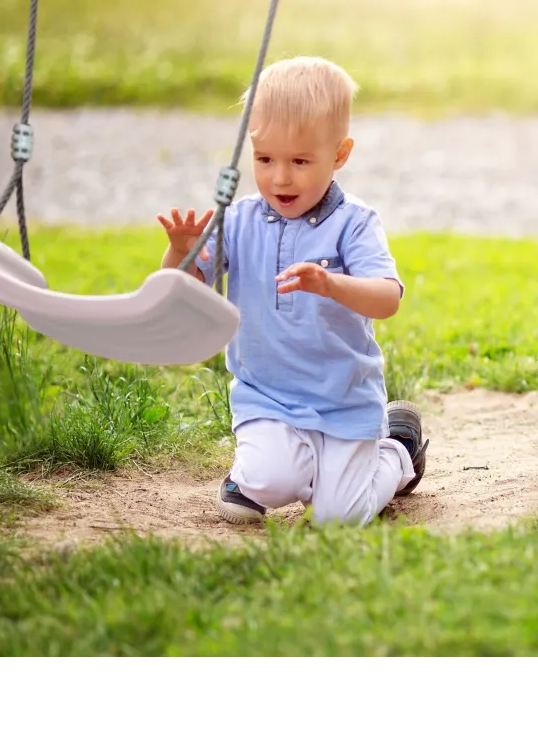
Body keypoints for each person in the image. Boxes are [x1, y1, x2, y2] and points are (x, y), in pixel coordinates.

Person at [157, 56, 428, 526]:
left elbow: (387, 299)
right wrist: (180, 252)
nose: (280, 178)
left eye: (300, 161)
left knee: (339, 520)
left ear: (339, 155)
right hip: (268, 397)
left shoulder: (354, 223)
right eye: (265, 160)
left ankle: (396, 453)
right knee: (260, 489)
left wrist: (330, 283)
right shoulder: (238, 220)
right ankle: (267, 475)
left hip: (343, 399)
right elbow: (185, 288)